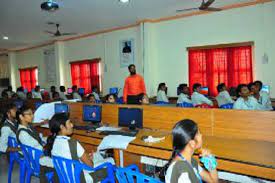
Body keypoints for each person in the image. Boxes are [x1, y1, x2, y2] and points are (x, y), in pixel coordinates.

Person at [45, 113, 112, 183]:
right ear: (62, 127)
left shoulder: (54, 142)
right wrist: (89, 160)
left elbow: (69, 159)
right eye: (69, 123)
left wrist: (83, 158)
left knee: (96, 156)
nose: (72, 125)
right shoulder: (72, 143)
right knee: (110, 162)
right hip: (80, 179)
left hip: (66, 178)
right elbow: (90, 166)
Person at [16, 106, 57, 182]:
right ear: (21, 117)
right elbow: (39, 151)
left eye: (32, 113)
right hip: (37, 161)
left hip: (37, 156)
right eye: (29, 114)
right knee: (62, 164)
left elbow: (36, 142)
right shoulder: (23, 134)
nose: (32, 116)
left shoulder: (27, 127)